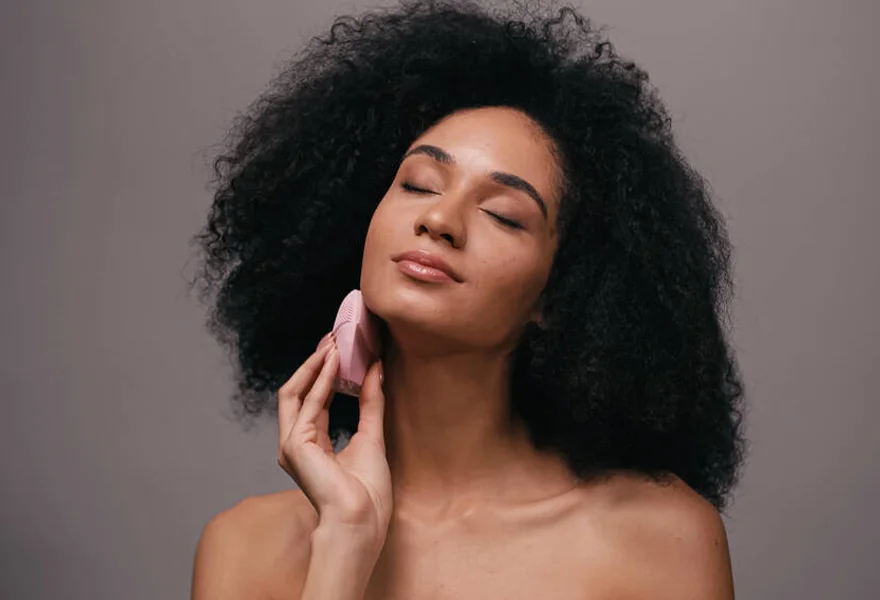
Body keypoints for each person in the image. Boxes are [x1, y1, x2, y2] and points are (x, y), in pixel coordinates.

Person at [188, 0, 745, 598]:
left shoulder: (660, 541)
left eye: (504, 216)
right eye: (418, 184)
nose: (440, 219)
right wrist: (343, 547)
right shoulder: (244, 548)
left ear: (560, 296)